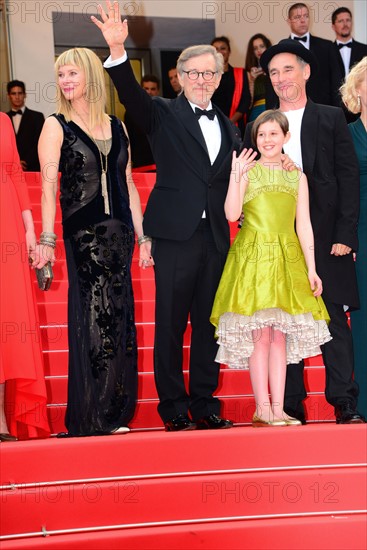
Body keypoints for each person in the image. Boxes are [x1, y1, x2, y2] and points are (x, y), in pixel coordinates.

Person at [91, 2, 241, 432]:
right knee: (171, 326)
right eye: (192, 73)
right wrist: (118, 53)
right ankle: (174, 408)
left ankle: (205, 404)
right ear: (179, 76)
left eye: (209, 73)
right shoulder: (162, 113)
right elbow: (131, 95)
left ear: (219, 77)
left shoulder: (230, 126)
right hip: (174, 234)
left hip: (215, 235)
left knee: (209, 325)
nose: (201, 80)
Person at [33, 47, 152, 437]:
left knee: (119, 321)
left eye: (72, 74)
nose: (66, 82)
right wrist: (47, 238)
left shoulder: (117, 125)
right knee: (94, 319)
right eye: (61, 76)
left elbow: (130, 183)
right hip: (84, 236)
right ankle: (92, 414)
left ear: (90, 77)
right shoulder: (55, 126)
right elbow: (48, 188)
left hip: (120, 236)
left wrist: (143, 234)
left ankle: (114, 411)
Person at [245, 38, 364, 425]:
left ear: (306, 71)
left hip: (328, 238)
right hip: (277, 241)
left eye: (288, 70)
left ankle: (344, 401)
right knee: (284, 322)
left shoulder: (331, 117)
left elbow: (348, 176)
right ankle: (289, 402)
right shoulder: (259, 124)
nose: (281, 79)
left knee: (332, 319)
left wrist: (346, 233)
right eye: (274, 73)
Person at [211, 110, 331, 426]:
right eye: (261, 135)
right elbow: (231, 213)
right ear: (255, 139)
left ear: (285, 137)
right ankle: (261, 408)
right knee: (260, 336)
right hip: (253, 256)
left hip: (287, 256)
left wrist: (312, 268)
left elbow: (304, 225)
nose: (267, 140)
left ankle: (278, 409)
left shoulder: (297, 176)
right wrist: (236, 176)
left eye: (273, 134)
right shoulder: (247, 171)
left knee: (279, 337)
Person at [0, 112, 50, 441]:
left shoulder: (3, 121)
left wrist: (30, 228)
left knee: (7, 322)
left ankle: (2, 419)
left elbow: (15, 172)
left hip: (7, 227)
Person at [340, 57, 367, 419]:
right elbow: (339, 190)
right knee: (364, 320)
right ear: (357, 90)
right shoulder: (345, 134)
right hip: (362, 232)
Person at [330, 7, 367, 123]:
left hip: (360, 108)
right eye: (341, 21)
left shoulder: (365, 49)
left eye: (348, 20)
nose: (345, 24)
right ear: (333, 26)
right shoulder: (327, 50)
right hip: (334, 110)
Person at [211, 36, 251, 134]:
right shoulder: (206, 76)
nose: (220, 51)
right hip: (213, 125)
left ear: (229, 51)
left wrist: (230, 122)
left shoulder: (240, 73)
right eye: (216, 49)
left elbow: (245, 101)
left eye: (223, 48)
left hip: (235, 126)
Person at [6, 80, 45, 171]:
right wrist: (14, 162)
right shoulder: (3, 118)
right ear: (8, 96)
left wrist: (25, 162)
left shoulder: (37, 117)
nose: (17, 97)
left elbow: (40, 142)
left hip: (33, 168)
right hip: (9, 170)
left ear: (25, 95)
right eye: (13, 93)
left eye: (20, 93)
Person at [124, 74, 159, 169]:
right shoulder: (130, 112)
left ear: (157, 91)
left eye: (153, 89)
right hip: (139, 165)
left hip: (161, 163)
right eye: (146, 88)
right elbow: (128, 140)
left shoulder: (164, 111)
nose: (149, 92)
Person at [244, 34, 272, 122]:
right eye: (255, 48)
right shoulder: (249, 72)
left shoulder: (276, 67)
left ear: (267, 47)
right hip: (256, 111)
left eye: (262, 46)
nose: (259, 50)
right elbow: (247, 101)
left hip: (273, 109)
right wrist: (252, 79)